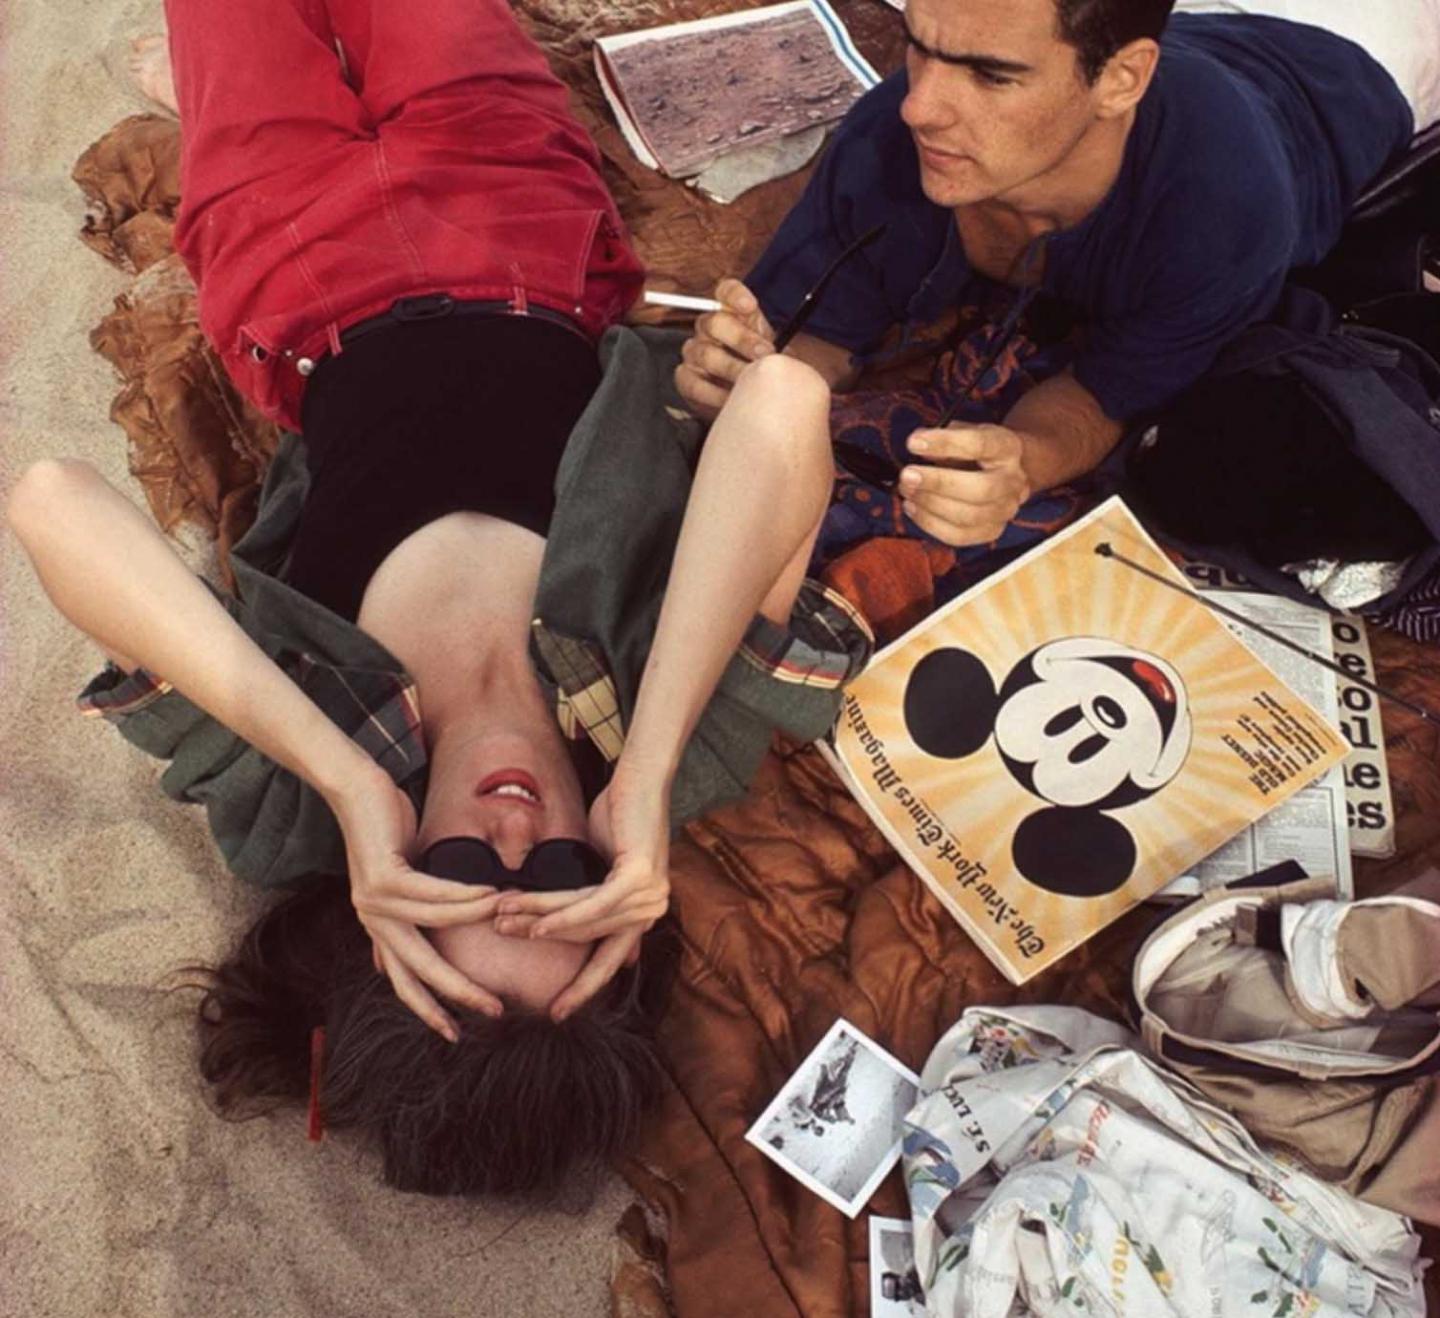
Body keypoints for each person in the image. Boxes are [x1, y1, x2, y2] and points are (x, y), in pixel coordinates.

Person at [7, 0, 870, 1196]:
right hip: (521, 226)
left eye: (466, 875)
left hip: (295, 271)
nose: (517, 831)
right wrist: (654, 763)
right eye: (559, 886)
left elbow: (51, 501)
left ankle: (209, 89)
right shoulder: (667, 750)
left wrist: (352, 777)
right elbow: (780, 410)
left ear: (392, 902)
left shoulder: (300, 801)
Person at [678, 0, 1440, 550]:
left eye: (989, 76)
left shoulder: (1224, 208)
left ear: (1122, 83)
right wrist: (750, 371)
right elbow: (814, 341)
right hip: (1175, 36)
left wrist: (1022, 464)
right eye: (920, 46)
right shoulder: (886, 134)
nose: (920, 108)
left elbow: (1102, 397)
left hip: (1354, 46)